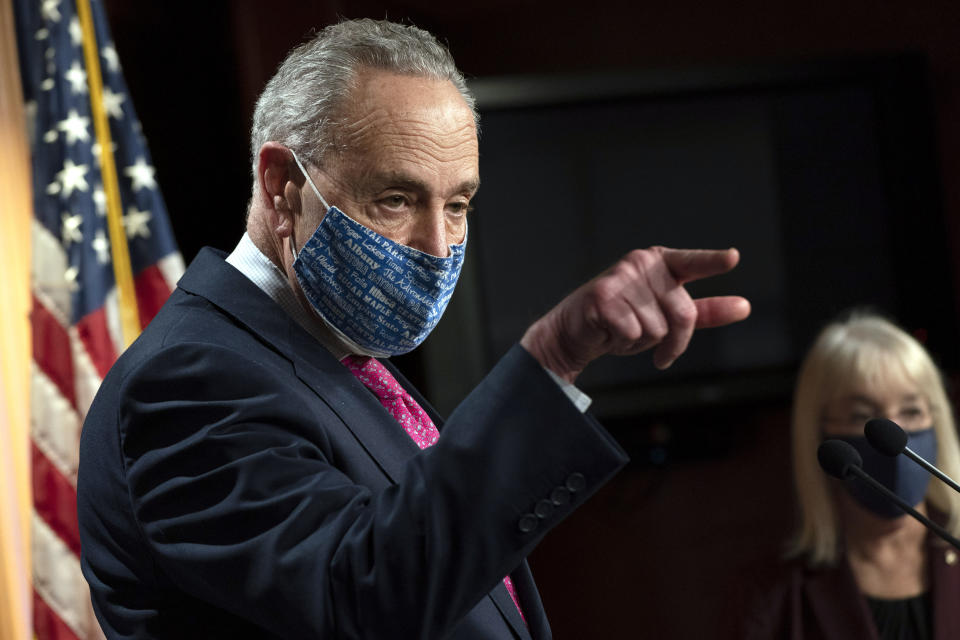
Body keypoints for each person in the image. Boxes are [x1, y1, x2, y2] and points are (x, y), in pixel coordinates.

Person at [77, 18, 750, 639]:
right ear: (282, 185)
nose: (436, 244)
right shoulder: (192, 381)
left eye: (457, 204)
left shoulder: (334, 354)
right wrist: (551, 358)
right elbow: (363, 597)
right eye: (395, 198)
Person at [744, 312, 960, 639]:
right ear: (820, 436)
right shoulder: (775, 595)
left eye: (911, 411)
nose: (894, 435)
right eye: (862, 416)